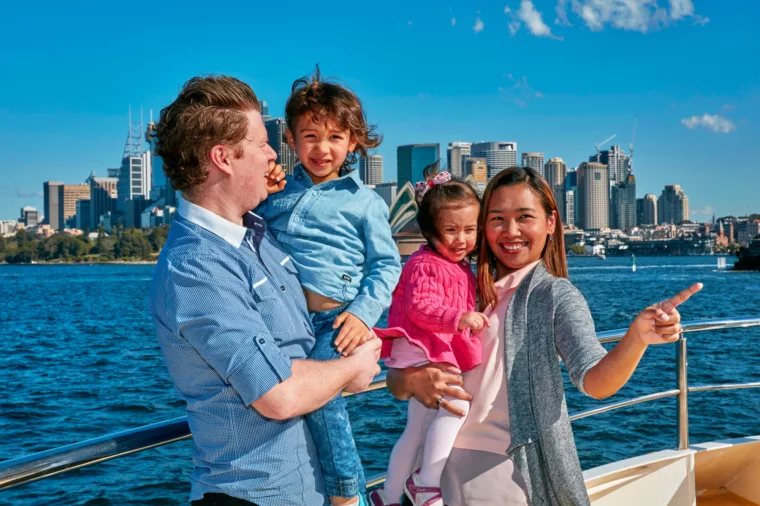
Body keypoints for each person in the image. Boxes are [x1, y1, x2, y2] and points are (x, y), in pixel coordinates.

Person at [386, 167, 702, 506]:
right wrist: (412, 380)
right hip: (425, 478)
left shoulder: (555, 296)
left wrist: (636, 339)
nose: (511, 231)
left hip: (501, 475)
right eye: (497, 219)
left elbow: (595, 381)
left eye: (524, 217)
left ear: (550, 223)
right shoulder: (458, 286)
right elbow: (396, 381)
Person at [149, 75, 381, 506]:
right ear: (223, 157)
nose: (274, 154)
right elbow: (278, 395)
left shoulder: (260, 232)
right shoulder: (195, 268)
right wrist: (354, 367)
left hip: (311, 489)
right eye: (261, 143)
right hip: (255, 496)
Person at [255, 67, 402, 506]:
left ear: (353, 142)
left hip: (337, 323)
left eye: (335, 137)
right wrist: (260, 189)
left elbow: (386, 265)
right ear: (292, 140)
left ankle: (345, 495)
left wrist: (362, 313)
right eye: (310, 136)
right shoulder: (275, 194)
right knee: (288, 410)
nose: (322, 148)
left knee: (320, 402)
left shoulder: (365, 201)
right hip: (285, 321)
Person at [369, 166, 486, 506]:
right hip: (423, 346)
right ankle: (426, 483)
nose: (461, 239)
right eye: (450, 230)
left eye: (469, 230)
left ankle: (388, 495)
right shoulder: (426, 264)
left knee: (417, 430)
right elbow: (421, 307)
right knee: (456, 405)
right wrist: (459, 318)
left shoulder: (458, 265)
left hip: (425, 347)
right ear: (431, 230)